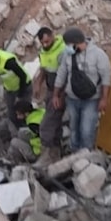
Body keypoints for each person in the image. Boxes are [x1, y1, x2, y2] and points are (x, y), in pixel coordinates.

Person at [52, 28, 111, 151]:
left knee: (86, 130)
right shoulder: (67, 55)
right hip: (72, 99)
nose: (67, 47)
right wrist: (55, 95)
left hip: (92, 100)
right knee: (74, 129)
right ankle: (74, 154)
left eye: (68, 45)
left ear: (76, 43)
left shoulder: (98, 55)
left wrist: (104, 99)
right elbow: (61, 74)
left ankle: (86, 156)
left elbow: (106, 78)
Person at [34, 28, 67, 165]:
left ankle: (49, 153)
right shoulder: (44, 51)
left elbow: (65, 76)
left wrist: (58, 96)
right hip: (50, 89)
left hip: (61, 91)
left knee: (46, 125)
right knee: (55, 121)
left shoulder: (62, 51)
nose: (45, 45)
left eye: (47, 42)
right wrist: (38, 84)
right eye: (43, 43)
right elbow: (44, 68)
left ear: (53, 36)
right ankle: (56, 150)